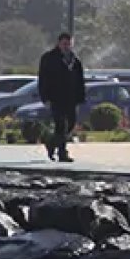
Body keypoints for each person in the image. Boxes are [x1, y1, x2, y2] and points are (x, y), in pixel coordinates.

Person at [36, 32, 86, 163]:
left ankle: (51, 143)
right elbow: (43, 80)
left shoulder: (75, 60)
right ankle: (62, 153)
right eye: (64, 44)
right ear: (58, 43)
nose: (66, 46)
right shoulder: (49, 58)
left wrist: (80, 98)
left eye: (69, 44)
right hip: (55, 98)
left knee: (70, 124)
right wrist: (45, 98)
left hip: (71, 99)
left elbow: (80, 81)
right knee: (61, 125)